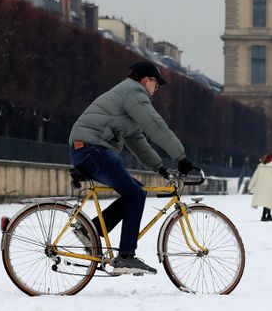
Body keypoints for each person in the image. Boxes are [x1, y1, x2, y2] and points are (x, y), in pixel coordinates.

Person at [68, 61, 195, 275]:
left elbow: (138, 141)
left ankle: (92, 230)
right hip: (92, 149)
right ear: (146, 80)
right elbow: (156, 126)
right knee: (136, 194)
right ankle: (126, 256)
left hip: (88, 149)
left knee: (134, 190)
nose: (158, 89)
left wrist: (160, 167)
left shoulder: (126, 99)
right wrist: (181, 157)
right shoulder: (134, 93)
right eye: (157, 84)